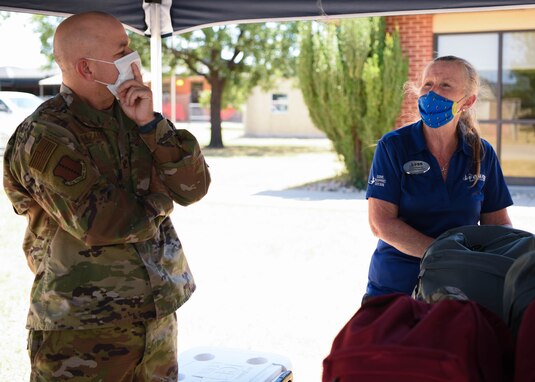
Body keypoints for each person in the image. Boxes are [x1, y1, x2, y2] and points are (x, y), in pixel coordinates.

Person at [3, 11, 211, 381]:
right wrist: (162, 199)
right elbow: (102, 223)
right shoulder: (46, 135)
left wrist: (151, 126)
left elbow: (194, 187)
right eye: (122, 51)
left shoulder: (135, 116)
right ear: (87, 67)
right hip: (83, 333)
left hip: (155, 319)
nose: (133, 59)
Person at [364, 55, 513, 299]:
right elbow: (381, 224)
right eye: (428, 84)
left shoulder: (481, 152)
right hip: (396, 286)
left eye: (445, 85)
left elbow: (498, 225)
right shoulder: (394, 146)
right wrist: (447, 255)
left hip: (460, 286)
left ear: (467, 101)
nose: (433, 93)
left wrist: (509, 255)